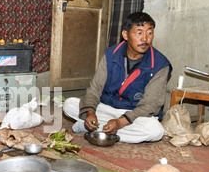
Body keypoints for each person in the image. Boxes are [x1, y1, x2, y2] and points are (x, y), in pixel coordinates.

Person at [63, 12, 172, 143]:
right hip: (106, 108)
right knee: (69, 104)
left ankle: (96, 130)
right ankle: (106, 128)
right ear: (125, 35)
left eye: (149, 33)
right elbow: (95, 88)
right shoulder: (111, 55)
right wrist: (90, 112)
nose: (145, 39)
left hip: (134, 114)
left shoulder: (160, 64)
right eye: (139, 33)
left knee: (156, 131)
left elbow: (150, 105)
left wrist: (121, 122)